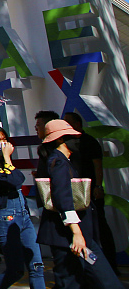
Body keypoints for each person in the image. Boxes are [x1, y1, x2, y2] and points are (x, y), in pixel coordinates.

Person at [36, 119, 120, 288]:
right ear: (60, 139)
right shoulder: (58, 162)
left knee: (80, 281)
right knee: (80, 282)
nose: (77, 139)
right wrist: (76, 233)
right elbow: (63, 198)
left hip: (78, 236)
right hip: (70, 236)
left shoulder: (63, 160)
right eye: (71, 136)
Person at [0, 124, 44, 289]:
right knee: (15, 270)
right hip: (7, 216)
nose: (3, 144)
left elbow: (18, 177)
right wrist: (7, 159)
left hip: (24, 214)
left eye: (4, 139)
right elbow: (13, 181)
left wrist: (7, 161)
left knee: (37, 266)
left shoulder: (2, 161)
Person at [63, 111, 118, 273]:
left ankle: (110, 265)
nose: (66, 126)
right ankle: (89, 267)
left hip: (91, 192)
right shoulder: (68, 143)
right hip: (76, 193)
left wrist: (98, 186)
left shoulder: (89, 142)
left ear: (78, 125)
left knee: (100, 226)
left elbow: (97, 165)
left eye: (69, 123)